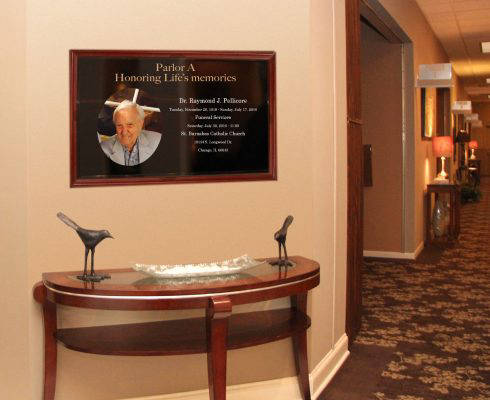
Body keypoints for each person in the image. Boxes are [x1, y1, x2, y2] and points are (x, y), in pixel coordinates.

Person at [100, 100, 162, 166]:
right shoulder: (104, 148)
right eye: (119, 125)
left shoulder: (158, 141)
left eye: (130, 125)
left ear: (141, 124)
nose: (124, 132)